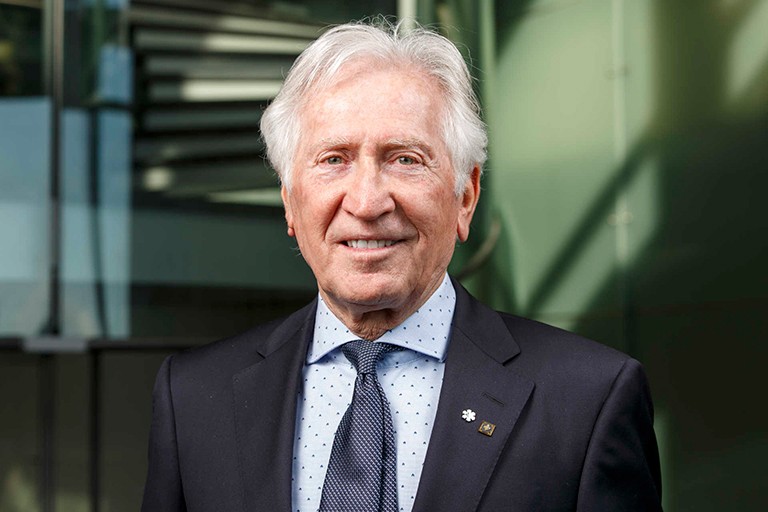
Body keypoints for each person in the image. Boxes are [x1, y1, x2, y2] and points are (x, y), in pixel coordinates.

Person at [141, 20, 662, 512]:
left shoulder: (589, 400)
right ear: (289, 202)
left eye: (405, 159)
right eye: (333, 159)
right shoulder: (191, 398)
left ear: (466, 197)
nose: (367, 202)